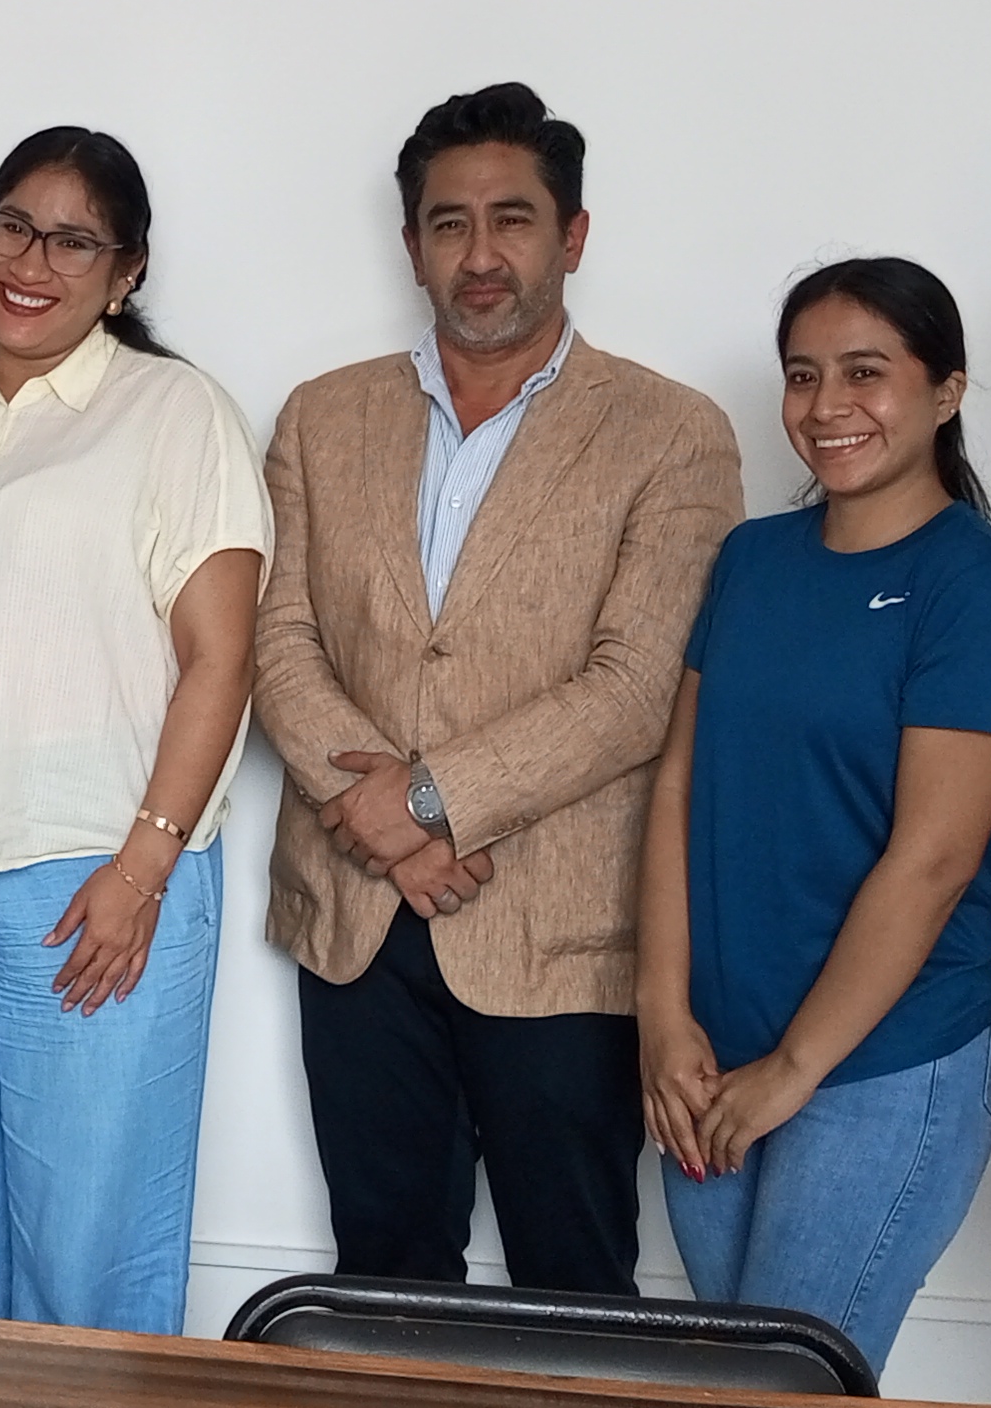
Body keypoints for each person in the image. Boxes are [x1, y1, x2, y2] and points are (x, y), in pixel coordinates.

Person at [252, 83, 739, 1295]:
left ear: (571, 235)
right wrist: (386, 827)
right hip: (356, 925)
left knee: (571, 1283)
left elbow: (634, 688)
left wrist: (422, 802)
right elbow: (278, 636)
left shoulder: (670, 432)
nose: (479, 255)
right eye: (448, 223)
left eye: (511, 219)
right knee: (381, 1273)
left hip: (557, 932)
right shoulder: (320, 416)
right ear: (409, 242)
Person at [0, 128, 266, 1333]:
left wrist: (144, 866)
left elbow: (219, 658)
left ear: (126, 272)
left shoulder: (173, 412)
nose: (31, 262)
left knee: (88, 1247)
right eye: (12, 224)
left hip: (95, 877)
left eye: (74, 241)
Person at [633, 259, 991, 1378]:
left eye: (865, 372)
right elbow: (677, 787)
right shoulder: (752, 559)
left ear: (945, 391)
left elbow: (933, 859)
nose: (825, 406)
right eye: (802, 374)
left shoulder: (975, 586)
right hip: (710, 1059)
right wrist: (661, 1014)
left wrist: (796, 1066)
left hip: (878, 1064)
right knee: (742, 1404)